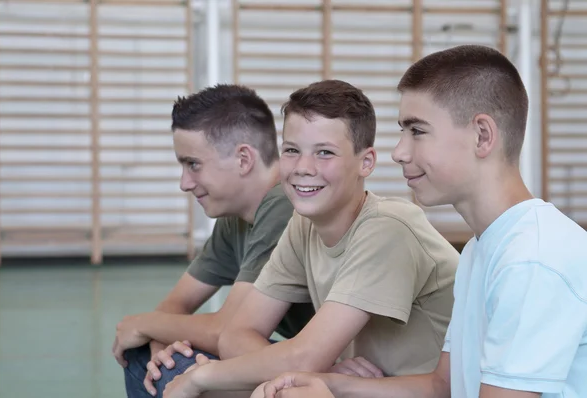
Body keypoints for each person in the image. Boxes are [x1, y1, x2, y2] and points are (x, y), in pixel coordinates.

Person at [255, 44, 587, 398]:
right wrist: (325, 382)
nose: (399, 152)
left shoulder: (532, 259)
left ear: (482, 136)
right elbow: (441, 386)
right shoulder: (482, 247)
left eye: (417, 131)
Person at [161, 79, 460, 398]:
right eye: (292, 150)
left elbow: (305, 356)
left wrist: (200, 377)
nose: (303, 167)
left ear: (366, 162)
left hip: (408, 391)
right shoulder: (302, 224)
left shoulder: (389, 228)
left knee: (194, 379)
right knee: (168, 367)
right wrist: (318, 371)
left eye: (325, 153)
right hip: (350, 386)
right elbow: (236, 335)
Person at [112, 84, 315, 398]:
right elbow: (177, 305)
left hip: (341, 370)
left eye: (193, 164)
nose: (184, 183)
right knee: (152, 357)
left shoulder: (283, 205)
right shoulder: (236, 216)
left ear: (244, 159)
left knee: (169, 371)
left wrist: (144, 323)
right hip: (295, 358)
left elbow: (228, 329)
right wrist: (157, 342)